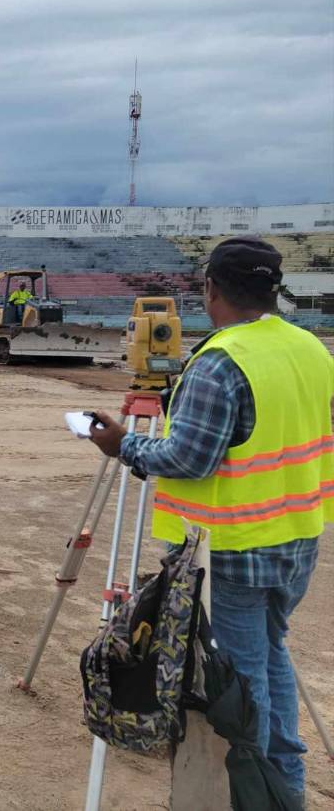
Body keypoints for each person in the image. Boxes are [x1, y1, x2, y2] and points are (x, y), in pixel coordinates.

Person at [88, 236, 332, 800]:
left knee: (241, 694)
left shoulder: (220, 362)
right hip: (295, 539)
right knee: (269, 660)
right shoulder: (311, 347)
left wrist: (122, 445)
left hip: (230, 549)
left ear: (211, 288)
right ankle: (286, 786)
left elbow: (184, 459)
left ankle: (263, 794)